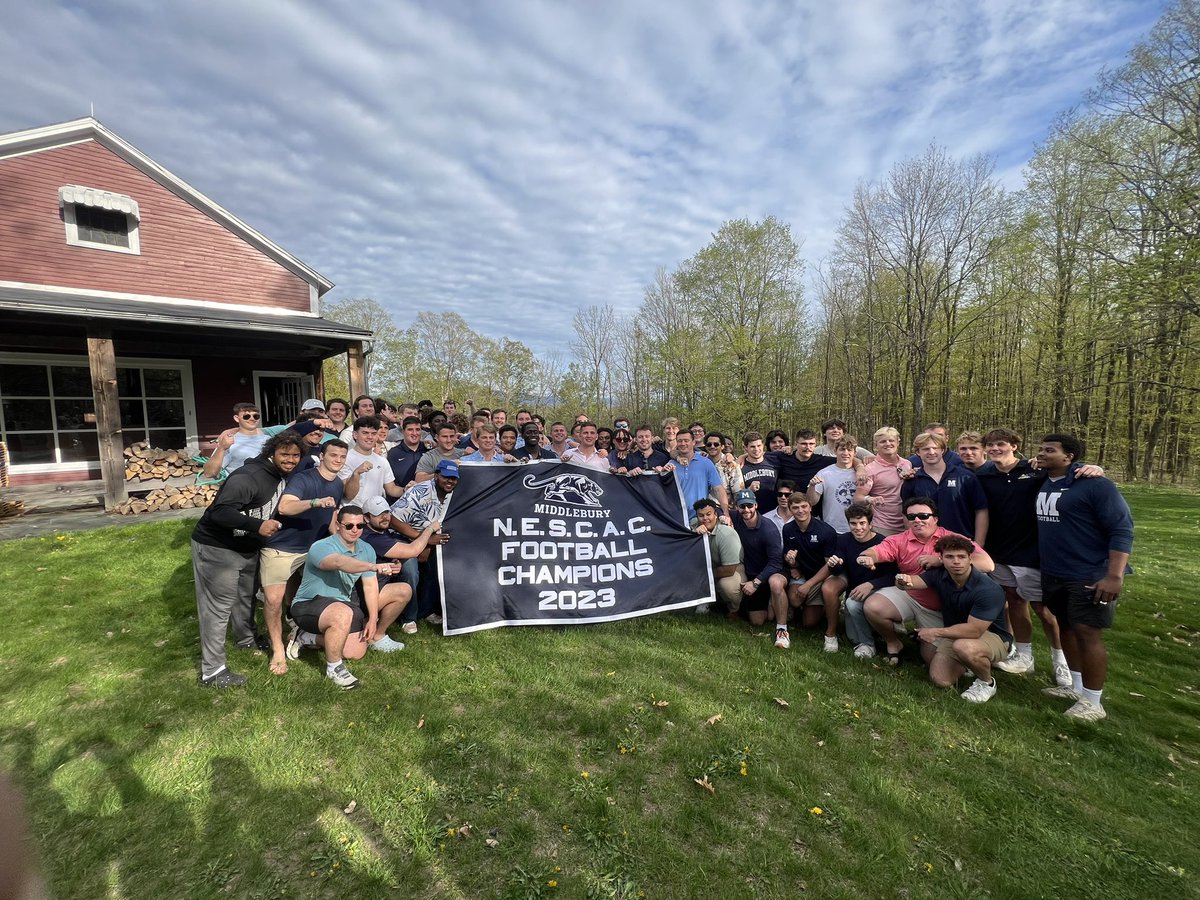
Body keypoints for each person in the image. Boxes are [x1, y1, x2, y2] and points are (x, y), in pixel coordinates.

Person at [190, 431, 303, 687]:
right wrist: (257, 525)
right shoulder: (247, 478)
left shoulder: (281, 475)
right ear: (271, 452)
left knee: (246, 596)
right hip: (218, 547)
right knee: (217, 608)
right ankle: (213, 671)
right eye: (285, 454)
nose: (291, 460)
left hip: (248, 546)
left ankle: (246, 639)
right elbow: (219, 512)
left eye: (295, 455)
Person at [1035, 433, 1134, 722]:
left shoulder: (1095, 485)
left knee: (1087, 632)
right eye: (1040, 449)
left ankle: (1093, 701)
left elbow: (1122, 529)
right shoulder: (1044, 481)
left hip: (1088, 573)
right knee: (1065, 626)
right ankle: (1075, 687)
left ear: (1069, 457)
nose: (1041, 454)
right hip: (1054, 571)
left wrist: (1114, 576)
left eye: (1049, 450)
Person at [977, 428, 1074, 687]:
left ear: (1014, 446)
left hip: (1031, 552)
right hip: (999, 552)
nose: (995, 449)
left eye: (1001, 444)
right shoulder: (983, 474)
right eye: (990, 445)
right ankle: (1025, 655)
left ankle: (1061, 660)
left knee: (1044, 610)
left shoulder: (1033, 470)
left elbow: (1066, 468)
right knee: (1015, 602)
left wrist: (1091, 467)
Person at [858, 497, 994, 666]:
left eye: (923, 516)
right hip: (911, 594)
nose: (917, 520)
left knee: (934, 662)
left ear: (935, 519)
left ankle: (925, 638)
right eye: (911, 517)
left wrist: (941, 560)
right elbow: (874, 552)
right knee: (874, 606)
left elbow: (988, 564)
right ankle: (893, 642)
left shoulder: (952, 539)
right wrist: (867, 558)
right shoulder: (899, 540)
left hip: (941, 609)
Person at [285, 506, 403, 689]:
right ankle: (334, 669)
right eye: (349, 526)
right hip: (308, 604)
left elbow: (370, 585)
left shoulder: (367, 549)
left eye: (360, 525)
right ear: (338, 525)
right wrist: (372, 567)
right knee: (342, 613)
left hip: (342, 605)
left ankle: (306, 637)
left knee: (355, 652)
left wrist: (372, 618)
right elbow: (339, 563)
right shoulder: (321, 546)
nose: (355, 530)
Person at [260, 438, 348, 674]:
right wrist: (315, 502)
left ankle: (303, 631)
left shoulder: (338, 484)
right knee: (273, 601)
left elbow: (332, 517)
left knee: (319, 595)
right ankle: (278, 649)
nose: (338, 461)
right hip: (282, 548)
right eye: (333, 456)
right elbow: (285, 507)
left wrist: (341, 542)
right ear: (322, 455)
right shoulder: (303, 478)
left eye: (342, 457)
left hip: (314, 548)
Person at [898, 535, 1013, 703]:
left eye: (961, 557)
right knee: (940, 679)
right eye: (950, 557)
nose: (956, 562)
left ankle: (986, 682)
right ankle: (970, 664)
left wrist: (935, 632)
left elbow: (975, 630)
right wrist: (903, 580)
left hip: (993, 636)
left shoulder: (988, 589)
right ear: (941, 559)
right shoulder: (939, 574)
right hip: (959, 632)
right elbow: (915, 582)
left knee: (964, 646)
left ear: (970, 559)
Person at [359, 495, 443, 638]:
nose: (385, 517)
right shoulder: (371, 537)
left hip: (374, 587)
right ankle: (377, 632)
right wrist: (429, 530)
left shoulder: (378, 530)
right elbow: (413, 550)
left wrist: (394, 561)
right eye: (379, 515)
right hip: (365, 597)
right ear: (366, 518)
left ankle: (375, 624)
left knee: (407, 568)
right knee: (405, 589)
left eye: (387, 512)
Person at [823, 503, 898, 658]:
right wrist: (833, 565)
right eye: (853, 523)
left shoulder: (882, 542)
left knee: (852, 604)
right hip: (855, 590)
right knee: (852, 637)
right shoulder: (844, 540)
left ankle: (868, 644)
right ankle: (870, 631)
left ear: (870, 523)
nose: (858, 528)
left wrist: (871, 585)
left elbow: (892, 576)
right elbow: (838, 568)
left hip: (880, 589)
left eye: (862, 523)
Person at [389, 460, 458, 628]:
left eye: (453, 478)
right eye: (446, 477)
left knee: (440, 568)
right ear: (436, 476)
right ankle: (408, 618)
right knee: (411, 571)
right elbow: (393, 520)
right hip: (402, 538)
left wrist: (427, 543)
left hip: (432, 539)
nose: (450, 481)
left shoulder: (455, 493)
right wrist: (423, 539)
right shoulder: (420, 491)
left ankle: (426, 611)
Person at [901, 430, 988, 540]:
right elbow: (906, 513)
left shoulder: (965, 477)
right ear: (918, 452)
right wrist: (913, 540)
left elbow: (981, 510)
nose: (931, 452)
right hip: (926, 543)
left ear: (943, 450)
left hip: (962, 542)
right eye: (925, 449)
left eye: (935, 448)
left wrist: (979, 543)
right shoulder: (912, 480)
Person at [731, 489, 790, 648]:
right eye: (742, 506)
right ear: (737, 507)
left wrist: (755, 583)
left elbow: (776, 562)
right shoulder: (735, 517)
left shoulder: (768, 529)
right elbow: (713, 510)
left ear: (756, 505)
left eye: (749, 505)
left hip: (772, 571)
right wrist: (722, 514)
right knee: (758, 621)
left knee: (775, 583)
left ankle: (782, 630)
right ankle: (771, 604)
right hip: (752, 571)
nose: (746, 510)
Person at [781, 494, 838, 646]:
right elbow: (791, 559)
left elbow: (830, 566)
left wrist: (809, 584)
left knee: (809, 623)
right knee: (794, 599)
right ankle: (804, 605)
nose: (800, 511)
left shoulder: (826, 531)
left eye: (804, 506)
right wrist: (792, 563)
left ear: (810, 507)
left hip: (822, 576)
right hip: (803, 573)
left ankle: (824, 607)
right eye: (795, 507)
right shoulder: (787, 529)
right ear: (790, 510)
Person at [854, 426, 913, 535]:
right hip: (883, 526)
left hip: (908, 524)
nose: (888, 444)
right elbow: (858, 498)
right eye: (883, 442)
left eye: (891, 440)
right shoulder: (870, 469)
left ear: (898, 442)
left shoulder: (907, 464)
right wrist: (869, 499)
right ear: (876, 445)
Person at [692, 498, 743, 617]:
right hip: (710, 567)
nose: (705, 519)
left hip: (733, 568)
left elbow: (729, 569)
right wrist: (694, 532)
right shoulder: (695, 524)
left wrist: (703, 575)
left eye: (708, 514)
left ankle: (734, 609)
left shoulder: (726, 534)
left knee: (728, 587)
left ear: (716, 514)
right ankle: (705, 600)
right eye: (701, 515)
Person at [340, 416, 404, 507]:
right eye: (365, 433)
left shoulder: (382, 460)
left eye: (373, 433)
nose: (370, 437)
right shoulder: (344, 459)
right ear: (355, 435)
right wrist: (356, 474)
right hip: (353, 516)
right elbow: (348, 495)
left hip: (375, 515)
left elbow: (391, 489)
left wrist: (406, 489)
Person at [667, 430, 728, 518]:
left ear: (693, 442)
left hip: (699, 518)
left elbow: (718, 489)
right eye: (679, 441)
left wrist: (726, 514)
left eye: (686, 440)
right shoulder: (670, 464)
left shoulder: (706, 463)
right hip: (676, 518)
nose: (683, 443)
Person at [806, 436, 861, 533]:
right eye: (842, 449)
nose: (846, 453)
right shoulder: (824, 473)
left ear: (855, 453)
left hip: (859, 529)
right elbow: (812, 501)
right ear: (835, 451)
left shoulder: (861, 474)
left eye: (849, 450)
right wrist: (812, 486)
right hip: (832, 529)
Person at [201, 402, 269, 480]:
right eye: (246, 416)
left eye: (256, 416)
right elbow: (209, 473)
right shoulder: (228, 442)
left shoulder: (269, 440)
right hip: (242, 488)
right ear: (237, 418)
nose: (252, 419)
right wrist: (221, 448)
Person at [740, 431, 778, 512]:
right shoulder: (740, 467)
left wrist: (788, 448)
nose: (756, 449)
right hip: (751, 512)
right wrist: (749, 490)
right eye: (752, 447)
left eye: (759, 445)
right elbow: (736, 494)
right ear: (746, 448)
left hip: (774, 511)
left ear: (763, 445)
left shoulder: (774, 460)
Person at [387, 416, 428, 489]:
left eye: (418, 429)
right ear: (403, 431)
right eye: (410, 430)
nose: (415, 433)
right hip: (400, 497)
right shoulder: (393, 453)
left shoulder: (428, 451)